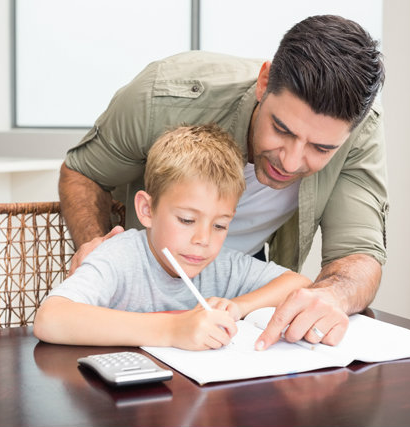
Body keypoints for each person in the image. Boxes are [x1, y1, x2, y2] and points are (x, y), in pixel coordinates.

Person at [58, 15, 387, 349]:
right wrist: (99, 246)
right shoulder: (161, 96)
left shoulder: (360, 132)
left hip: (236, 293)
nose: (289, 162)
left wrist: (330, 295)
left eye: (321, 148)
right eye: (282, 130)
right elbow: (84, 172)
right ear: (264, 82)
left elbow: (358, 255)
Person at [35, 124, 319, 350]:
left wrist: (239, 306)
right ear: (147, 210)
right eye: (186, 220)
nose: (203, 239)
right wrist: (173, 330)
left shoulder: (220, 264)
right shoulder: (119, 257)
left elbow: (299, 284)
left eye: (220, 225)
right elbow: (50, 318)